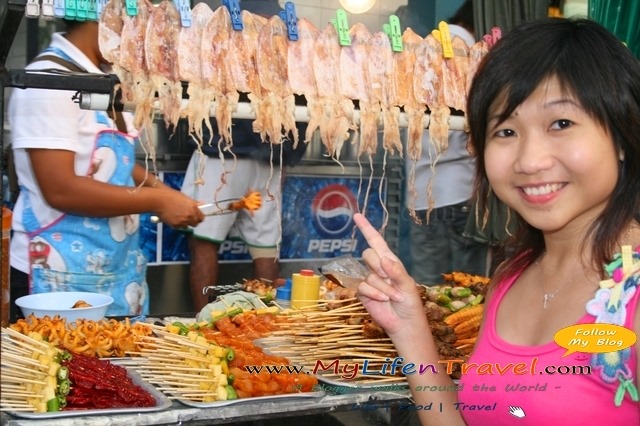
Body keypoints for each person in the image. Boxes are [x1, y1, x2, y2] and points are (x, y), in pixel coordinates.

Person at [354, 17, 640, 425]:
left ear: (622, 135)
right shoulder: (511, 275)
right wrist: (410, 329)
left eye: (561, 123)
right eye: (505, 131)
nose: (529, 161)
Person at [8, 20, 204, 320]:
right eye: (138, 26)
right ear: (107, 16)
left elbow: (112, 160)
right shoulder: (48, 80)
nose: (143, 42)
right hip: (58, 276)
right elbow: (60, 189)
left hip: (116, 272)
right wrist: (158, 201)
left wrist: (163, 191)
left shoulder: (101, 77)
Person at [404, 0, 489, 285]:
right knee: (469, 286)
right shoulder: (466, 50)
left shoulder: (422, 52)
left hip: (420, 193)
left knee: (429, 285)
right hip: (461, 191)